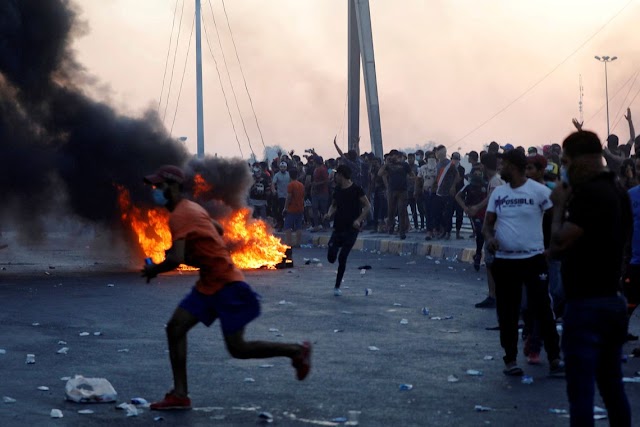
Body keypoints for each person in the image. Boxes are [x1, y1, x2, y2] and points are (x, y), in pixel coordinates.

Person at [141, 165, 311, 410]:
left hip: (225, 283)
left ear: (174, 187)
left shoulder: (180, 214)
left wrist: (153, 270)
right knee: (175, 328)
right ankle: (180, 395)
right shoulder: (192, 208)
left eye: (160, 186)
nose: (156, 190)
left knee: (238, 348)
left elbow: (175, 259)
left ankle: (296, 351)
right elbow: (218, 229)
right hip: (209, 282)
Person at [549, 130, 631, 426]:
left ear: (581, 160)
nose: (565, 167)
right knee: (612, 389)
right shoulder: (617, 189)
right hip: (612, 298)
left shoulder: (590, 193)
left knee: (581, 392)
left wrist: (559, 204)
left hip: (587, 304)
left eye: (566, 161)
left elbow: (558, 244)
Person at [483, 149, 564, 377]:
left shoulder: (539, 191)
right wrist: (490, 239)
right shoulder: (499, 193)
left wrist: (552, 247)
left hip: (534, 260)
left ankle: (555, 358)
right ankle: (510, 360)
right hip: (506, 262)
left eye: (504, 164)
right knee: (507, 313)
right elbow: (488, 225)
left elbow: (555, 218)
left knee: (543, 310)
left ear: (515, 167)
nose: (501, 168)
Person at [324, 165, 371, 296]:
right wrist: (329, 214)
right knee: (331, 257)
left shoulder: (356, 190)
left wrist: (359, 220)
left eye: (337, 174)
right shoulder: (337, 190)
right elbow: (333, 205)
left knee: (342, 257)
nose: (335, 177)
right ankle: (332, 250)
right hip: (338, 227)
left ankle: (337, 286)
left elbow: (367, 206)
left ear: (342, 175)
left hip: (351, 230)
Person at [282, 169, 305, 247]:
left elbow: (289, 197)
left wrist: (285, 208)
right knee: (298, 226)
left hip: (292, 209)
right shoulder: (301, 185)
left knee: (288, 226)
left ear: (289, 176)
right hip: (300, 208)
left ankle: (289, 243)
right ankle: (298, 243)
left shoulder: (291, 185)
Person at [271, 162, 291, 231]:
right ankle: (281, 224)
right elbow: (273, 183)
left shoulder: (289, 174)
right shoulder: (277, 175)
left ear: (286, 168)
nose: (283, 168)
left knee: (288, 210)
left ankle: (288, 225)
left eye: (284, 167)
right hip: (280, 195)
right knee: (281, 210)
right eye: (281, 167)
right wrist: (273, 190)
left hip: (288, 195)